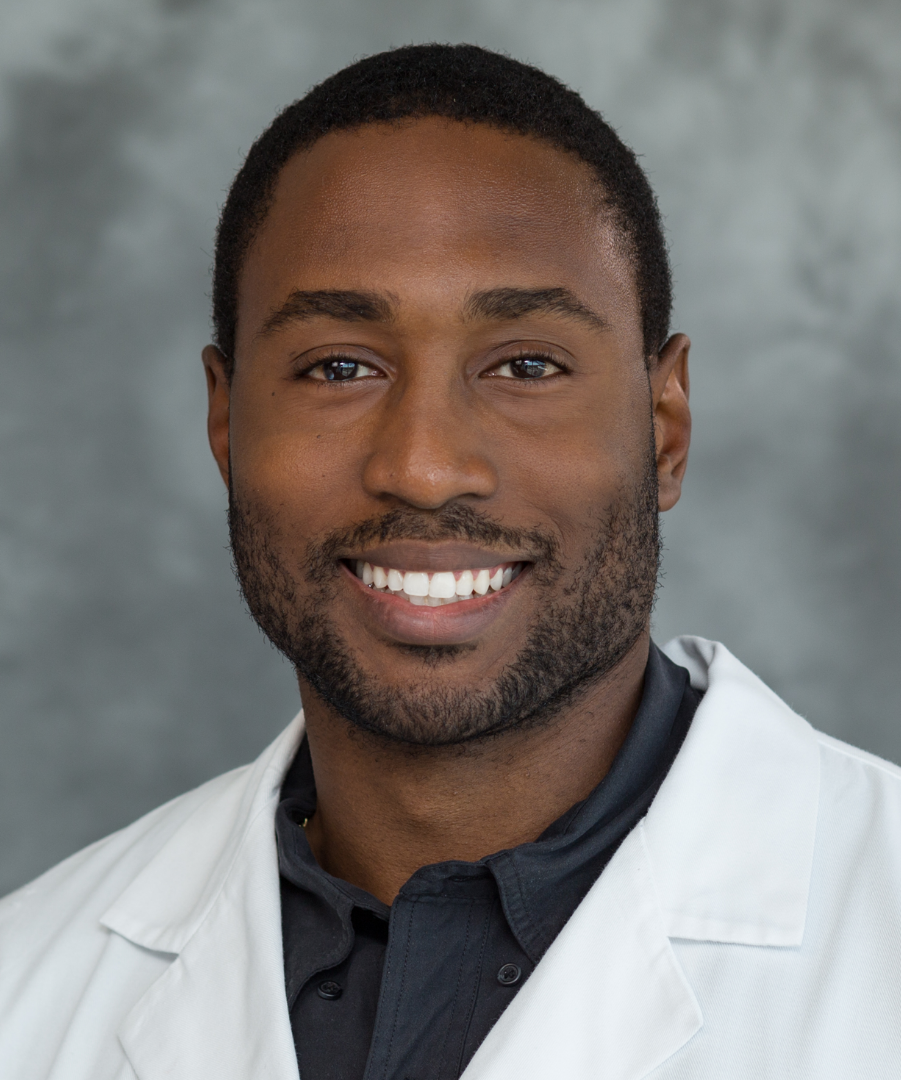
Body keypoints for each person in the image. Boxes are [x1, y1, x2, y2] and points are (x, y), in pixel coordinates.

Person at [0, 43, 897, 1080]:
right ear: (224, 419)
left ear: (664, 426)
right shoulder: (26, 991)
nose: (423, 468)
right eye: (338, 367)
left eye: (525, 365)